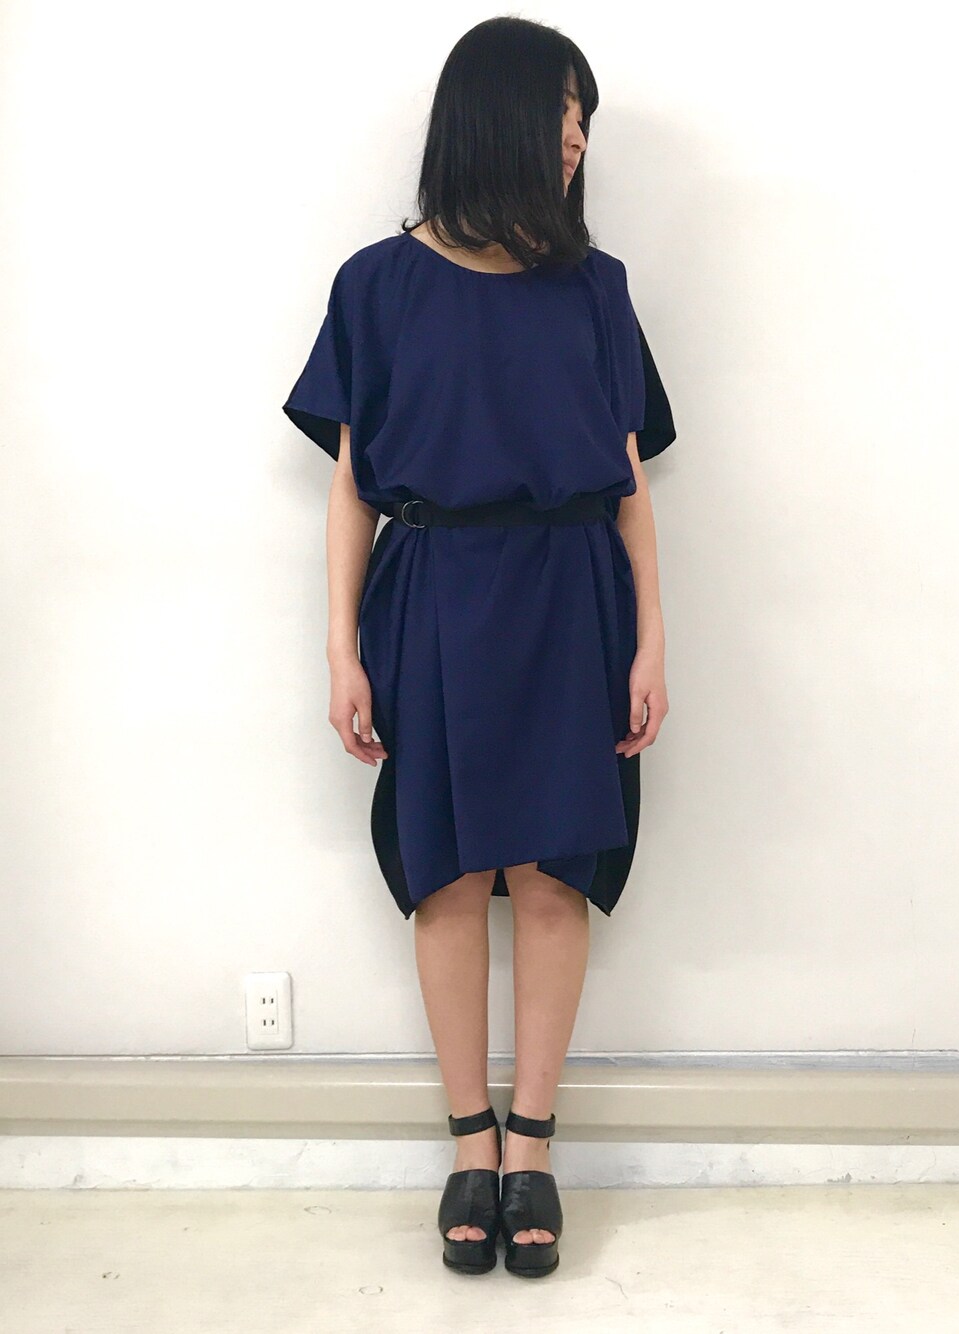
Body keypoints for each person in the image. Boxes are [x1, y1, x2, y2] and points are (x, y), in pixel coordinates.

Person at [283, 15, 676, 1279]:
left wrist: (651, 638)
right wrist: (340, 647)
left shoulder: (597, 288)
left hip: (572, 596)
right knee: (446, 873)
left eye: (583, 118)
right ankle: (468, 1138)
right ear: (490, 116)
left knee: (553, 872)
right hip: (434, 592)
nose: (574, 138)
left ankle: (533, 1146)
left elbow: (628, 484)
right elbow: (353, 486)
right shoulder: (377, 285)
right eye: (560, 110)